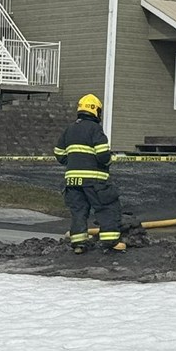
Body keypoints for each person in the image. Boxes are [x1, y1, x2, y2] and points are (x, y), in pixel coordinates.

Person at [53, 93, 125, 254]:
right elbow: (102, 155)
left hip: (72, 181)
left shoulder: (69, 129)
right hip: (95, 181)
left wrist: (72, 162)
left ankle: (79, 244)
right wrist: (108, 161)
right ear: (96, 112)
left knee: (78, 211)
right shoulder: (95, 129)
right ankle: (111, 241)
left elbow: (59, 153)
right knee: (107, 207)